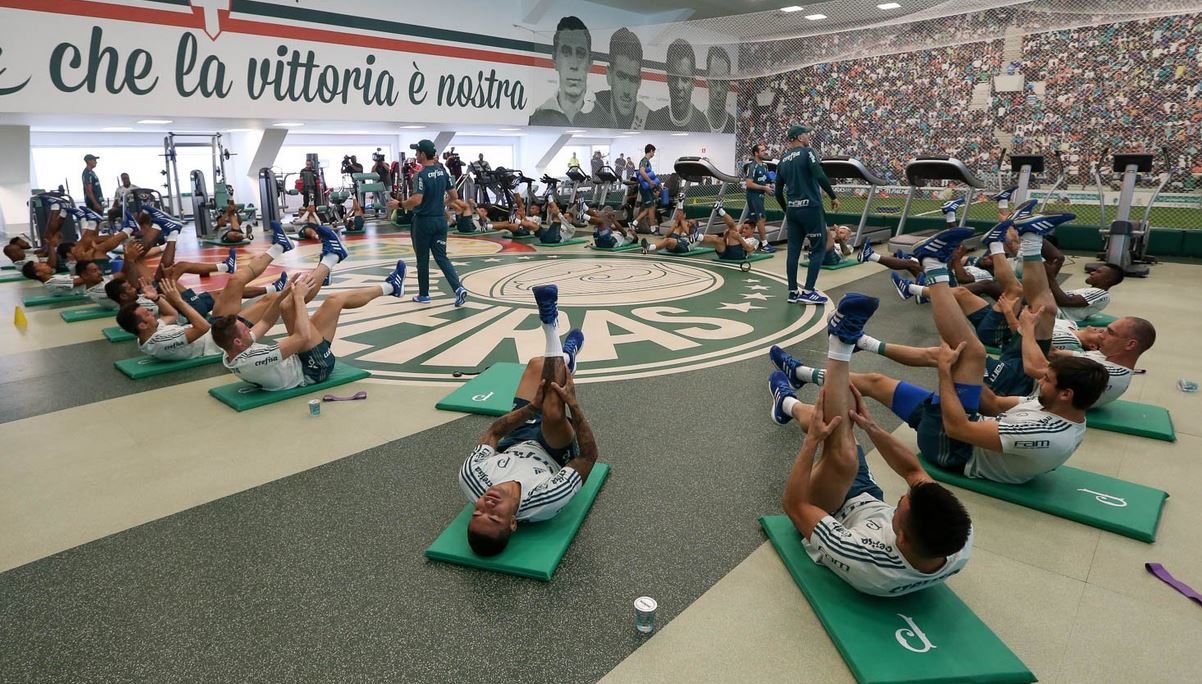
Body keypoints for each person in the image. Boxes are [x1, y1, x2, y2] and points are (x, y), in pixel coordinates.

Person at [773, 224, 1110, 485]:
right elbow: (992, 404)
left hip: (954, 448)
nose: (1042, 378)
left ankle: (930, 267)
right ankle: (791, 393)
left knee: (970, 353)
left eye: (1048, 380)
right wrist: (969, 379)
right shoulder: (1058, 409)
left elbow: (958, 426)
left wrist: (950, 373)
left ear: (1066, 394)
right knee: (882, 379)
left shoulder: (1043, 433)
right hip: (965, 427)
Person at [770, 292, 973, 596]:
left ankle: (840, 343)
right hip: (864, 495)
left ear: (900, 538)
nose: (901, 499)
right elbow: (913, 470)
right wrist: (874, 429)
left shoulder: (865, 560)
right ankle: (787, 404)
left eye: (900, 507)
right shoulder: (958, 539)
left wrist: (811, 442)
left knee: (843, 451)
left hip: (832, 509)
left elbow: (795, 506)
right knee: (848, 411)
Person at [458, 284, 594, 556]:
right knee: (554, 408)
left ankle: (567, 357)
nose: (486, 506)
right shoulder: (545, 501)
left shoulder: (471, 478)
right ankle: (550, 324)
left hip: (517, 438)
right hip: (553, 450)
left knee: (535, 364)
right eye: (494, 517)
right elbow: (588, 458)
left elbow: (494, 432)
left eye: (478, 513)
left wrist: (531, 409)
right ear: (513, 524)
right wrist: (574, 405)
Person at [211, 226, 406, 391]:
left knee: (288, 303)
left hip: (301, 357)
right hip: (313, 369)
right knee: (334, 299)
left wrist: (284, 293)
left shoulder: (232, 351)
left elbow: (266, 321)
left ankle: (383, 283)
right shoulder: (253, 360)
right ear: (238, 341)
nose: (249, 328)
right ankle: (335, 259)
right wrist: (298, 297)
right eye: (245, 329)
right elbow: (301, 337)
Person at [389, 139, 468, 306]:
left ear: (423, 155)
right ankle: (458, 288)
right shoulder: (443, 172)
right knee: (441, 257)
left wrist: (400, 204)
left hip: (423, 222)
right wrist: (442, 205)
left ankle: (424, 295)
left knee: (422, 259)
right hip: (440, 221)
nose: (416, 155)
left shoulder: (421, 175)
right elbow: (454, 196)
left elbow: (417, 200)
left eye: (417, 152)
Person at [775, 125, 839, 304]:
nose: (808, 136)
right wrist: (833, 196)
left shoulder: (782, 160)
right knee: (818, 248)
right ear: (799, 137)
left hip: (793, 210)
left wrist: (786, 208)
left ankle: (792, 291)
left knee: (793, 251)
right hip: (811, 207)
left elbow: (778, 191)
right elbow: (819, 175)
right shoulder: (808, 152)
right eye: (806, 134)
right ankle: (809, 291)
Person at [529, 16, 593, 126]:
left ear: (590, 63)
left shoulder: (604, 118)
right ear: (555, 60)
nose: (574, 65)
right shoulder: (537, 119)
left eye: (580, 53)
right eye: (566, 52)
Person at [581, 29, 647, 130]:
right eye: (621, 77)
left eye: (633, 79)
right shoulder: (590, 112)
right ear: (609, 75)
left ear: (639, 82)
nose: (626, 91)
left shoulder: (649, 119)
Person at [646, 39, 705, 132]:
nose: (678, 86)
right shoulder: (654, 120)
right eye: (674, 78)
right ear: (667, 79)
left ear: (693, 83)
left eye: (685, 79)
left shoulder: (702, 124)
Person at [743, 144, 776, 253]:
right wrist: (764, 188)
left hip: (760, 196)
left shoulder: (765, 166)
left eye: (764, 150)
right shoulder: (752, 166)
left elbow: (767, 180)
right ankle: (765, 244)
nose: (764, 152)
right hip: (753, 196)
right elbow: (749, 183)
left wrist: (770, 186)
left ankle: (733, 235)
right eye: (762, 151)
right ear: (756, 153)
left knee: (751, 220)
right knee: (761, 219)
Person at [704, 48, 736, 134]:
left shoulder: (734, 126)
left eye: (723, 81)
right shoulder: (696, 122)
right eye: (714, 80)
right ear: (707, 81)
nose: (718, 89)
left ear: (729, 83)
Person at [632, 144, 659, 233]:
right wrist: (650, 181)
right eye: (653, 152)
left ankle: (634, 223)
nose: (654, 154)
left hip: (648, 188)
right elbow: (642, 172)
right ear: (651, 151)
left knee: (651, 207)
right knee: (651, 207)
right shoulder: (644, 161)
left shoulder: (647, 161)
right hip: (645, 188)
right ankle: (653, 228)